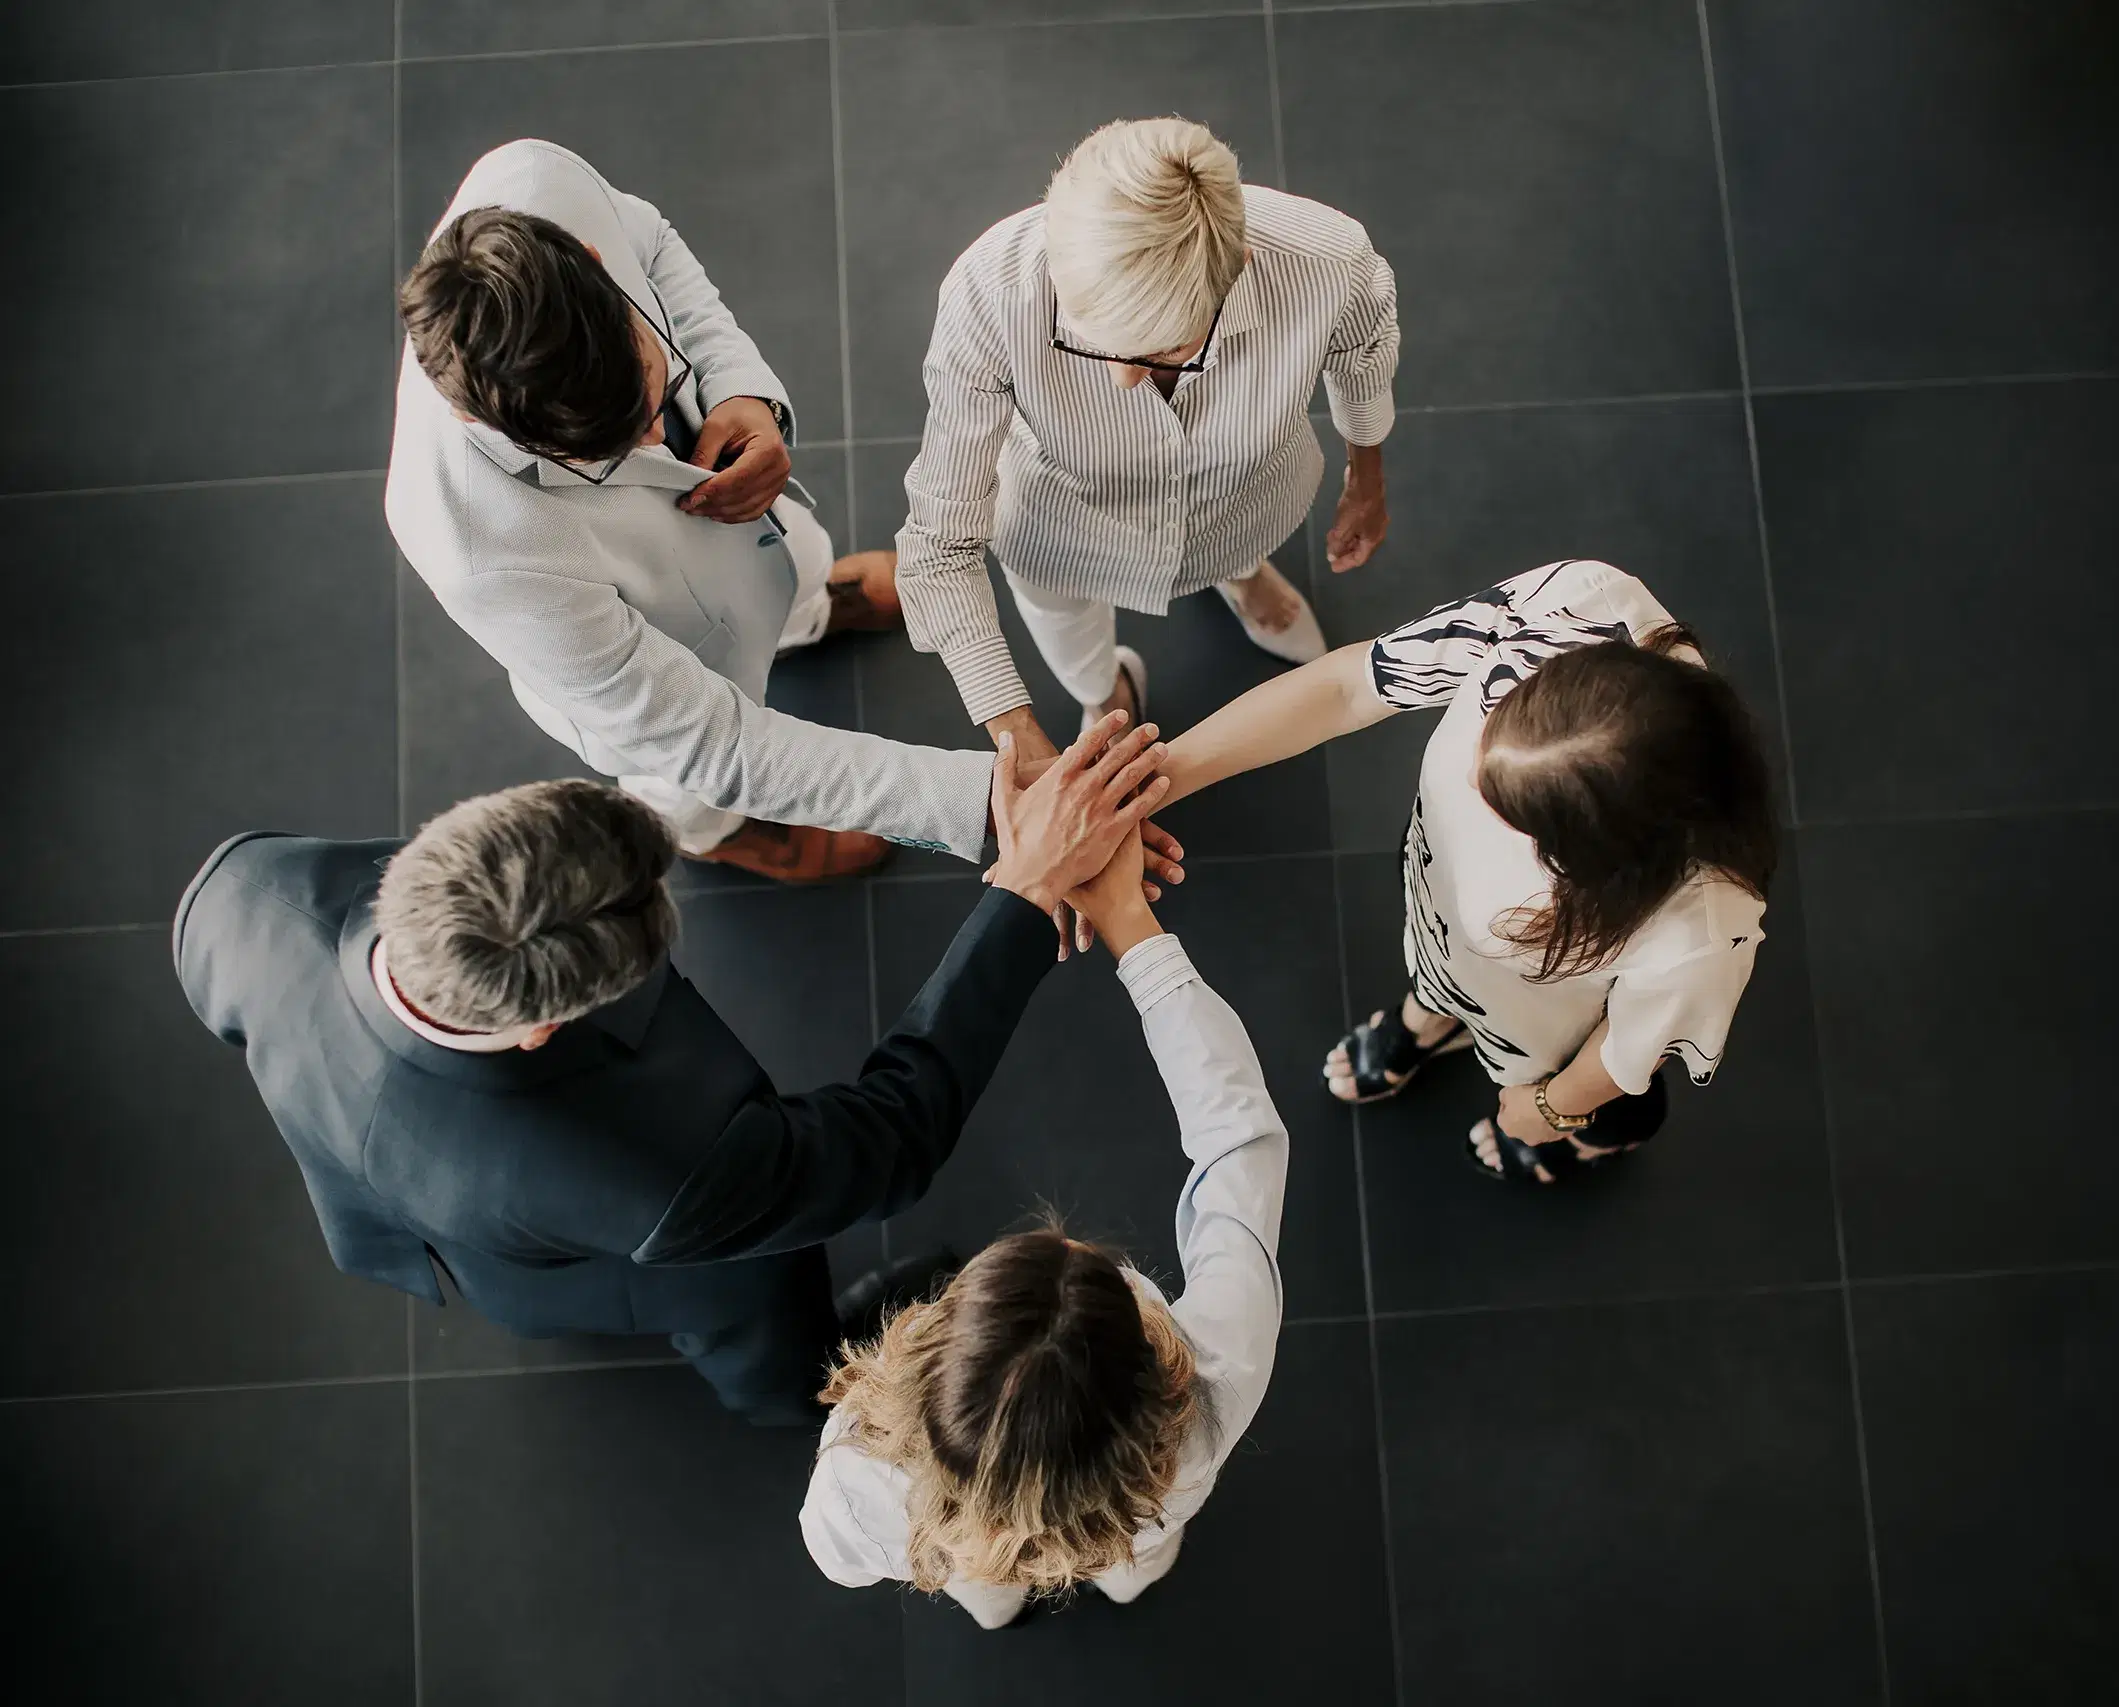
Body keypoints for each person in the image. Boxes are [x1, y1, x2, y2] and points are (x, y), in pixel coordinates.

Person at [172, 716, 1170, 1424]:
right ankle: (799, 1394)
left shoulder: (239, 894)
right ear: (542, 1028)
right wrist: (1023, 894)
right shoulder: (660, 1171)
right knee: (762, 1321)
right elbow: (886, 1142)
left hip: (389, 1206)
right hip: (612, 1261)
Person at [388, 139, 1006, 883]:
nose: (659, 440)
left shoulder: (537, 179)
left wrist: (741, 392)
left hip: (745, 539)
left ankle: (816, 605)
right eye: (611, 452)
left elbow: (650, 239)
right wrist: (978, 795)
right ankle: (724, 837)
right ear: (477, 425)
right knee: (685, 788)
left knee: (794, 565)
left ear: (591, 259)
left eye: (651, 395)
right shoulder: (476, 549)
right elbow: (713, 743)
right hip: (650, 677)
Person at [799, 823, 1287, 1624]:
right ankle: (1131, 1576)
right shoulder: (1217, 1381)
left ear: (935, 1343)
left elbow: (836, 1554)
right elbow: (1240, 1144)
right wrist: (1132, 921)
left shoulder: (863, 1469)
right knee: (1142, 1553)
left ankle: (995, 1606)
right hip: (1142, 1515)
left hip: (957, 1547)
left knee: (980, 1589)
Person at [1161, 560, 1777, 1185]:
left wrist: (1548, 1108)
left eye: (1510, 810)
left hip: (1548, 1028)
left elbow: (1628, 1046)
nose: (1467, 785)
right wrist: (1145, 785)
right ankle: (1430, 1018)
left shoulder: (1700, 924)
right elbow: (1350, 687)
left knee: (1616, 1108)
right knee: (1442, 971)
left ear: (1597, 853)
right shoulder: (1575, 607)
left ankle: (1596, 1143)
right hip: (1448, 934)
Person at [897, 116, 1401, 765]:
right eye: (1090, 338)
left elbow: (1363, 362)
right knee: (1065, 623)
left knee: (1238, 537)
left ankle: (1244, 576)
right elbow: (938, 546)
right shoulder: (988, 294)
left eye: (1163, 349)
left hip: (1242, 492)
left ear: (1236, 273)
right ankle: (1103, 691)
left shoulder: (1332, 262)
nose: (1123, 378)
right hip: (1058, 518)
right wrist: (1015, 733)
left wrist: (1367, 481)